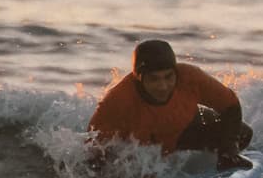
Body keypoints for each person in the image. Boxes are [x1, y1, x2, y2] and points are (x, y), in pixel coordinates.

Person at [90, 38, 252, 168]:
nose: (163, 86)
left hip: (184, 132)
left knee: (242, 133)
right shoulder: (117, 101)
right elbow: (93, 147)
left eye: (168, 77)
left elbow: (230, 106)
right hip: (140, 148)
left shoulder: (190, 77)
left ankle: (210, 166)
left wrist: (229, 151)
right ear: (139, 78)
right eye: (154, 79)